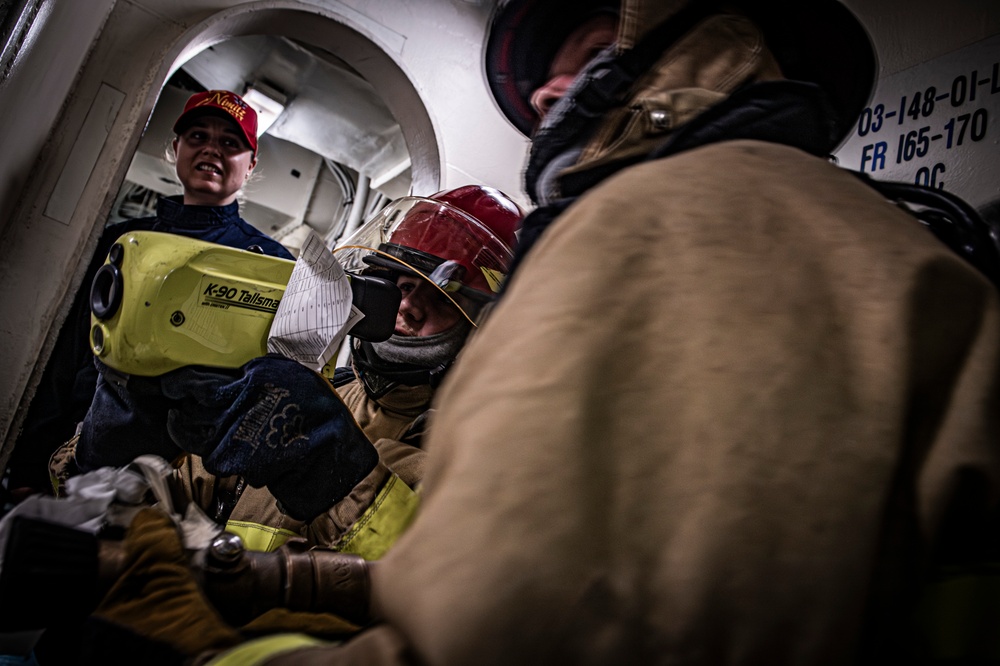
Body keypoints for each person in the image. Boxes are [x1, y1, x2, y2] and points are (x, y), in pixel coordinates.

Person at [66, 0, 1000, 663]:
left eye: (591, 44)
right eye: (394, 297)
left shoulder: (692, 225)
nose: (553, 91)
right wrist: (134, 474)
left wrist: (218, 642)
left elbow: (508, 625)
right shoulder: (346, 395)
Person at [176, 185, 524, 553]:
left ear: (479, 331)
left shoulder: (478, 458)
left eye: (441, 298)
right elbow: (170, 499)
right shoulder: (316, 395)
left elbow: (443, 581)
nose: (408, 306)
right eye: (403, 285)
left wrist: (332, 475)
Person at [5, 90, 292, 499]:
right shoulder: (122, 242)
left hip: (191, 474)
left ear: (250, 167)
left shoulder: (269, 264)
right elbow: (68, 355)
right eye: (197, 136)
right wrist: (29, 466)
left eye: (230, 143)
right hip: (83, 448)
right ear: (176, 149)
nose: (211, 149)